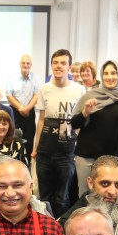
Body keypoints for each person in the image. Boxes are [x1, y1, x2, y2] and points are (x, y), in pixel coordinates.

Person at [69, 59, 118, 197]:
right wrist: (85, 111)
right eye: (105, 73)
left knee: (107, 196)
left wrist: (115, 159)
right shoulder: (90, 96)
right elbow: (74, 123)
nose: (109, 77)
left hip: (110, 158)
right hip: (85, 156)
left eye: (113, 73)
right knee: (85, 195)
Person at [32, 49, 86, 217]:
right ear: (51, 65)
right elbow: (41, 119)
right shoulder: (44, 89)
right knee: (44, 197)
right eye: (55, 62)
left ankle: (61, 233)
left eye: (63, 63)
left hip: (67, 153)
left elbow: (81, 122)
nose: (59, 66)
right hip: (45, 152)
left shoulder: (79, 90)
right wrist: (36, 148)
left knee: (62, 198)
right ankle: (44, 231)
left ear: (69, 67)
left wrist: (77, 148)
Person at [5, 54, 39, 151]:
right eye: (23, 63)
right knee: (11, 138)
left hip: (29, 112)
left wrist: (27, 108)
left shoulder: (35, 78)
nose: (25, 65)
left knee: (28, 140)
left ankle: (26, 163)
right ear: (20, 64)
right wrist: (21, 107)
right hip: (14, 111)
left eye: (28, 63)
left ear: (31, 65)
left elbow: (36, 95)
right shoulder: (11, 78)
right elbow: (9, 95)